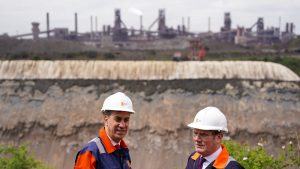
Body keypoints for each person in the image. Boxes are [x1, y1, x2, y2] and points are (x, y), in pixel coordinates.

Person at [74, 92, 135, 169]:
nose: (122, 125)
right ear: (106, 119)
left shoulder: (123, 151)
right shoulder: (90, 152)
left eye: (126, 120)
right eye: (118, 119)